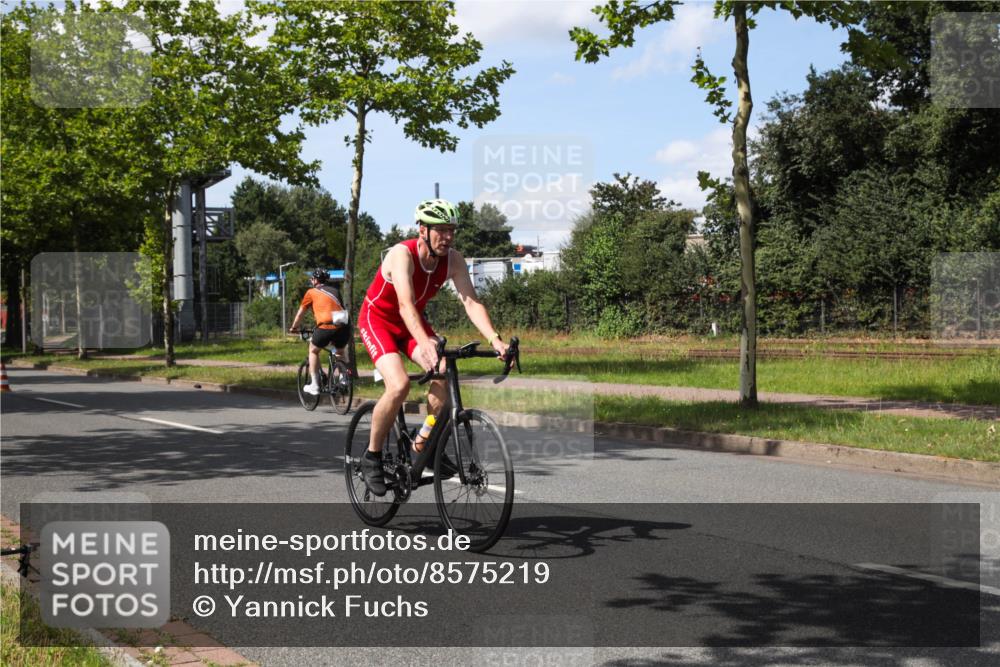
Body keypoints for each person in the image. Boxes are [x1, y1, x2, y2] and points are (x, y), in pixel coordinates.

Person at [357, 199, 509, 496]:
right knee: (399, 385)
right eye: (441, 230)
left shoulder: (453, 260)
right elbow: (404, 304)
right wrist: (425, 342)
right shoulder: (402, 254)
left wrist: (495, 338)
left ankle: (423, 441)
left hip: (411, 322)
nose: (448, 237)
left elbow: (471, 301)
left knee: (442, 373)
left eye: (452, 230)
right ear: (422, 230)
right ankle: (371, 456)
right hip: (379, 320)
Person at [289, 269, 352, 395]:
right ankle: (343, 378)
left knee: (313, 350)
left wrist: (294, 327)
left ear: (315, 280)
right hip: (344, 326)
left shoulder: (311, 292)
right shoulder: (335, 291)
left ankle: (315, 385)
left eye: (311, 279)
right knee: (340, 351)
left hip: (326, 326)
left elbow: (301, 313)